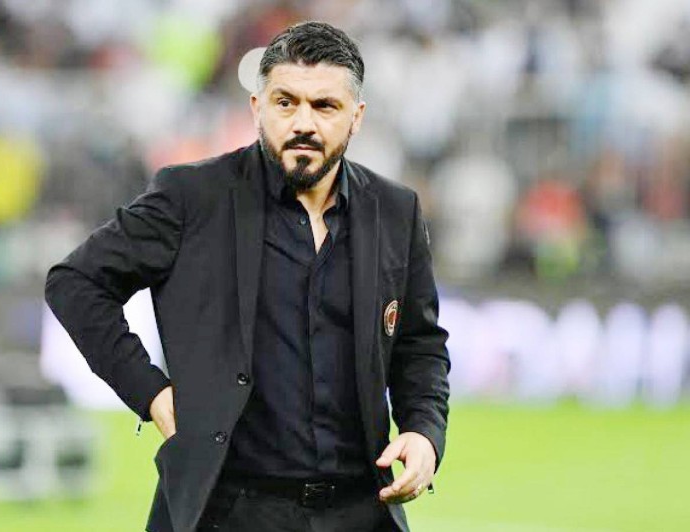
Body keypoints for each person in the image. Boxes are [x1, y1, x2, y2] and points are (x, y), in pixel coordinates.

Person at [45, 21, 450, 532]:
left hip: (360, 508)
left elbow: (419, 343)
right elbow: (75, 282)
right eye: (286, 102)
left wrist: (423, 431)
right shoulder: (192, 197)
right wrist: (151, 393)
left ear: (357, 117)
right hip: (228, 508)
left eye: (325, 106)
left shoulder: (394, 211)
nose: (303, 122)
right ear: (258, 108)